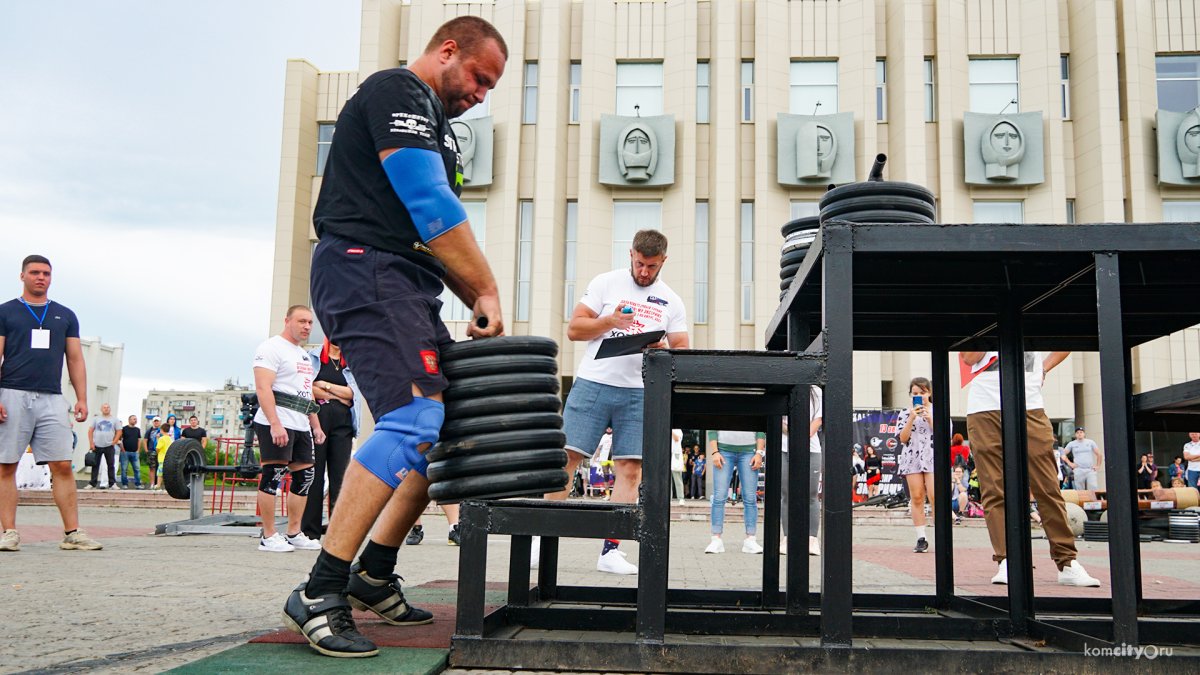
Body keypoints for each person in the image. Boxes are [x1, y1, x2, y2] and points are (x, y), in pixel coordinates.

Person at [285, 16, 509, 658]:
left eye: (490, 87)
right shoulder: (396, 92)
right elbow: (429, 203)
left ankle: (373, 573)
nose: (480, 94)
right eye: (478, 77)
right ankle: (321, 589)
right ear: (447, 50)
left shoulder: (442, 128)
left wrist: (476, 298)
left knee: (441, 429)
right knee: (414, 418)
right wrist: (487, 290)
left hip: (405, 279)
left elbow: (434, 237)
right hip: (364, 267)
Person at [537, 228, 689, 576]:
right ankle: (541, 539)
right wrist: (609, 321)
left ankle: (611, 550)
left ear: (663, 261)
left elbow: (682, 349)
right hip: (594, 381)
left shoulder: (672, 300)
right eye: (639, 264)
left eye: (651, 266)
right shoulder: (606, 282)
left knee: (631, 469)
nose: (644, 272)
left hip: (639, 390)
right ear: (630, 254)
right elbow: (574, 329)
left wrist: (662, 350)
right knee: (567, 458)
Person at [961, 351, 1099, 587]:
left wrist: (1044, 368)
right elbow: (968, 358)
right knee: (994, 488)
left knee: (1047, 486)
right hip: (984, 405)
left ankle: (1067, 562)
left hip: (1030, 402)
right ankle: (1007, 560)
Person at [0, 254, 102, 552]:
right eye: (34, 273)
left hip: (52, 397)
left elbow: (74, 358)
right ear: (22, 276)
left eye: (45, 273)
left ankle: (72, 533)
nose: (40, 277)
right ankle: (9, 532)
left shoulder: (64, 315)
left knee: (62, 464)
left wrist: (82, 398)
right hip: (12, 393)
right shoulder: (6, 312)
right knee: (6, 466)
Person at [253, 306, 326, 553]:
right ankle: (268, 535)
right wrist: (275, 423)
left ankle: (294, 532)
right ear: (287, 321)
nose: (307, 326)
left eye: (310, 323)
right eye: (302, 321)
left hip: (300, 423)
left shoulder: (303, 355)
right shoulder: (270, 348)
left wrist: (315, 425)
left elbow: (306, 393)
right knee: (273, 476)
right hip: (276, 420)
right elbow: (263, 389)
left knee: (305, 477)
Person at [301, 339, 362, 543]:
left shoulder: (351, 360)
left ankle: (339, 531)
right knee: (315, 475)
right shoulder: (313, 357)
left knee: (340, 476)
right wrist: (338, 394)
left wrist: (325, 387)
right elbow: (309, 389)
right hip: (318, 419)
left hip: (343, 422)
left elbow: (353, 394)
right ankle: (310, 531)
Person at [779, 386, 823, 557]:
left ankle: (812, 539)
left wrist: (801, 436)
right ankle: (787, 537)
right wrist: (793, 433)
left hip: (811, 448)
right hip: (784, 447)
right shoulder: (786, 386)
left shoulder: (816, 391)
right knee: (786, 494)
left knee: (811, 494)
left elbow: (818, 419)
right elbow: (781, 420)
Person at [705, 431, 764, 554]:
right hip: (723, 450)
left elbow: (761, 429)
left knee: (750, 497)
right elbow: (712, 426)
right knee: (719, 496)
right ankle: (716, 539)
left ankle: (751, 539)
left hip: (749, 450)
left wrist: (759, 453)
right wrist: (715, 451)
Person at [897, 377, 935, 553]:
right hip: (912, 459)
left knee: (935, 497)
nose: (919, 396)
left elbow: (945, 436)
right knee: (917, 497)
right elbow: (903, 439)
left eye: (923, 393)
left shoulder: (938, 411)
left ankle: (940, 534)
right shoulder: (905, 413)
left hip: (933, 458)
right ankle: (921, 537)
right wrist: (911, 418)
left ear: (930, 393)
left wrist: (929, 419)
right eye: (915, 394)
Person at [86, 403, 119, 490]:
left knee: (111, 465)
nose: (106, 409)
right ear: (101, 409)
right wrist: (91, 443)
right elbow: (90, 431)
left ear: (110, 409)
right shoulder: (96, 419)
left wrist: (114, 441)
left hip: (109, 446)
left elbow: (119, 431)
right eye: (104, 407)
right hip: (97, 445)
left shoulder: (115, 420)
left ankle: (112, 484)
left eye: (108, 407)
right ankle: (92, 484)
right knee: (95, 465)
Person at [118, 414, 143, 489]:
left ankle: (138, 484)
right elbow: (119, 439)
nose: (135, 420)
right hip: (125, 453)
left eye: (136, 419)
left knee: (137, 469)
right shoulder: (124, 429)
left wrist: (138, 450)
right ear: (129, 420)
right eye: (133, 419)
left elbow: (139, 440)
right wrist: (122, 449)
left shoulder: (137, 430)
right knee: (124, 469)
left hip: (135, 453)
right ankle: (125, 484)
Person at [142, 416, 162, 490]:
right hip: (152, 451)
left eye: (158, 421)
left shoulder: (162, 430)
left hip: (160, 452)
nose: (156, 422)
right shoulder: (149, 430)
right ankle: (152, 484)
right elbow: (145, 440)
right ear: (153, 422)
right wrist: (146, 450)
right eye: (155, 421)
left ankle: (158, 484)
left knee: (160, 468)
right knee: (152, 468)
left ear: (160, 422)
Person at [670, 429, 686, 506]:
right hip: (666, 453)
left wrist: (670, 429)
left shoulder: (678, 430)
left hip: (675, 455)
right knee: (667, 481)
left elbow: (676, 439)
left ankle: (681, 498)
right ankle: (668, 498)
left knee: (678, 479)